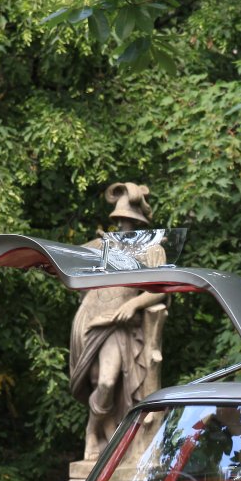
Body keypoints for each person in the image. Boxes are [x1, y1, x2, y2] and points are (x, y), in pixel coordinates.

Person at [70, 183, 169, 461]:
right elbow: (68, 265)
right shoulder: (102, 245)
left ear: (140, 221)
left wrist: (133, 304)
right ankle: (104, 436)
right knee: (97, 382)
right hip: (90, 321)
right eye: (119, 219)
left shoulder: (152, 248)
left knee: (106, 382)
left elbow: (160, 289)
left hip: (117, 325)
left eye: (130, 220)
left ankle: (93, 431)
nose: (124, 225)